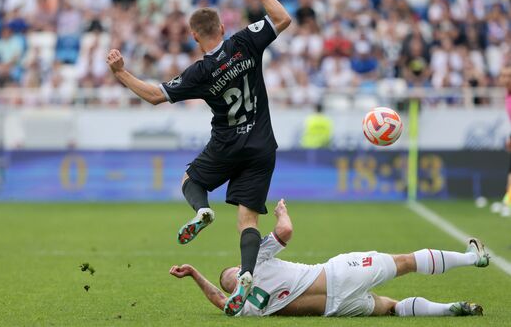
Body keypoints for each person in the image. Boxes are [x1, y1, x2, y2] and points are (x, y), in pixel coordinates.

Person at [106, 0, 291, 316]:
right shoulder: (244, 41)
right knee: (248, 220)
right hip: (262, 144)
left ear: (194, 36)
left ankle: (201, 209)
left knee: (191, 180)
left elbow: (154, 96)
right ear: (221, 28)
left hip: (226, 143)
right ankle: (247, 273)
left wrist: (121, 73)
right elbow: (282, 18)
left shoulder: (199, 72)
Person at [170, 199, 489, 318]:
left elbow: (221, 302)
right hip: (338, 274)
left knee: (392, 307)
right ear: (241, 270)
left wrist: (195, 274)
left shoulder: (248, 308)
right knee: (404, 262)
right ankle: (472, 258)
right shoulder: (256, 261)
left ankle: (451, 309)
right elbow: (286, 231)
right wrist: (283, 212)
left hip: (336, 309)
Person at [492, 67, 511, 217]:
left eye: (508, 76)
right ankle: (507, 202)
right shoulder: (507, 94)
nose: (504, 78)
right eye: (503, 75)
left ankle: (508, 203)